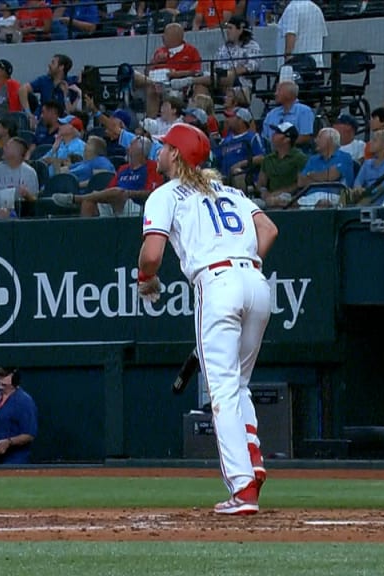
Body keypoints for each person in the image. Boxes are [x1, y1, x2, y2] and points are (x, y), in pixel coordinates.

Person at [137, 124, 279, 515]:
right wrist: (245, 265)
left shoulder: (164, 194)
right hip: (255, 279)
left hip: (217, 281)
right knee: (239, 384)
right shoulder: (232, 192)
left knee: (221, 391)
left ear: (176, 156)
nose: (161, 151)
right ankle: (253, 458)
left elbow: (151, 255)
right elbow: (268, 228)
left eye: (166, 146)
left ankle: (243, 487)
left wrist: (145, 280)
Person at [0, 367, 37, 464]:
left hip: (14, 459)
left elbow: (29, 435)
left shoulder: (24, 401)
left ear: (14, 378)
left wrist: (8, 442)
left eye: (3, 376)